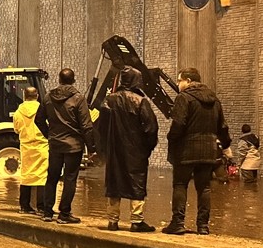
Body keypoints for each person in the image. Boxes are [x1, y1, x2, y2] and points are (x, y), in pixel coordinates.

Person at [165, 67, 230, 235]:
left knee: (180, 185)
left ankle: (178, 223)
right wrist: (226, 146)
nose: (178, 84)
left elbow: (178, 124)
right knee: (204, 188)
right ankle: (203, 226)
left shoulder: (184, 98)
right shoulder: (214, 100)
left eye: (179, 81)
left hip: (186, 150)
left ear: (187, 80)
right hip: (208, 151)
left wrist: (171, 139)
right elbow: (222, 127)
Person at [97, 67, 159, 232]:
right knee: (137, 183)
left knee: (113, 183)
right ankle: (136, 221)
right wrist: (147, 148)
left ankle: (112, 221)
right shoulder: (140, 101)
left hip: (114, 150)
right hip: (136, 151)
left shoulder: (109, 100)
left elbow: (100, 127)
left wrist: (104, 149)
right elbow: (151, 127)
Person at [36, 68, 95, 224]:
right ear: (73, 80)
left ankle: (47, 212)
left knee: (52, 177)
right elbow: (86, 126)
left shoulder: (48, 97)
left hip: (55, 145)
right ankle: (64, 214)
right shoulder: (78, 98)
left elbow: (38, 120)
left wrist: (49, 135)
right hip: (73, 146)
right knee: (70, 179)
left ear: (60, 80)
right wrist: (92, 148)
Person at [12, 87, 49, 216]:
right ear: (37, 96)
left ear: (24, 96)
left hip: (26, 146)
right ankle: (41, 207)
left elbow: (16, 129)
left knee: (26, 175)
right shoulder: (44, 109)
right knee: (42, 176)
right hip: (42, 146)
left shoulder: (18, 112)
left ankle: (24, 205)